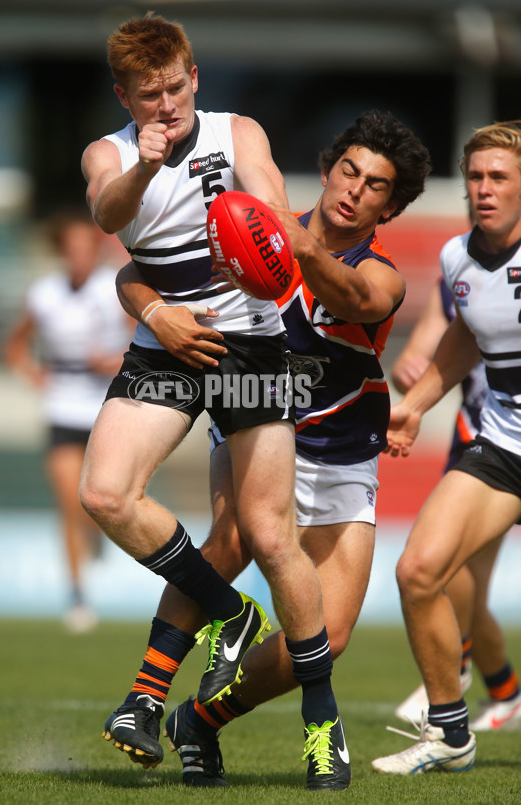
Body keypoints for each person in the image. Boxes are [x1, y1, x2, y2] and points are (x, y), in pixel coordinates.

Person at [114, 110, 431, 789]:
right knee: (229, 537)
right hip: (255, 419)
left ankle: (199, 717)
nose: (355, 189)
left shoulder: (380, 274)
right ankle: (146, 694)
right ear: (326, 169)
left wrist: (294, 243)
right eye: (349, 170)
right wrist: (154, 311)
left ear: (393, 206)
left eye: (376, 185)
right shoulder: (243, 229)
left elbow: (355, 297)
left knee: (327, 637)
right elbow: (134, 275)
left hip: (341, 454)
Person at [78, 11, 335, 780]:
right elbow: (107, 215)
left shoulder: (236, 131)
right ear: (124, 95)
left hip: (253, 342)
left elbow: (269, 204)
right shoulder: (110, 153)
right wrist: (146, 169)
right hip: (168, 343)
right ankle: (232, 611)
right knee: (105, 492)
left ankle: (323, 723)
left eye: (177, 85)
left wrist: (270, 237)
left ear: (196, 76)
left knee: (265, 531)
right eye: (149, 93)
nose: (167, 104)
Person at [371, 120, 521, 775]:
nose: (484, 189)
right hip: (503, 444)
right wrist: (414, 407)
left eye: (499, 178)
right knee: (418, 571)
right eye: (476, 178)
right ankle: (451, 733)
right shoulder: (459, 258)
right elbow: (465, 336)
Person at [391, 277, 521, 731]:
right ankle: (479, 692)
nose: (482, 202)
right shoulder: (457, 269)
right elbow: (426, 351)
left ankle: (484, 683)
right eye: (471, 199)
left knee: (464, 581)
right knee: (442, 572)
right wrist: (409, 381)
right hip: (487, 440)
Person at [4, 208, 133, 632]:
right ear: (61, 251)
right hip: (62, 405)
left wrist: (115, 362)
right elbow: (16, 345)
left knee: (98, 498)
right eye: (71, 248)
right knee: (68, 500)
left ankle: (96, 536)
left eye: (86, 247)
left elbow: (141, 337)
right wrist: (33, 375)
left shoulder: (113, 288)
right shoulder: (44, 294)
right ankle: (78, 596)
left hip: (105, 404)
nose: (79, 255)